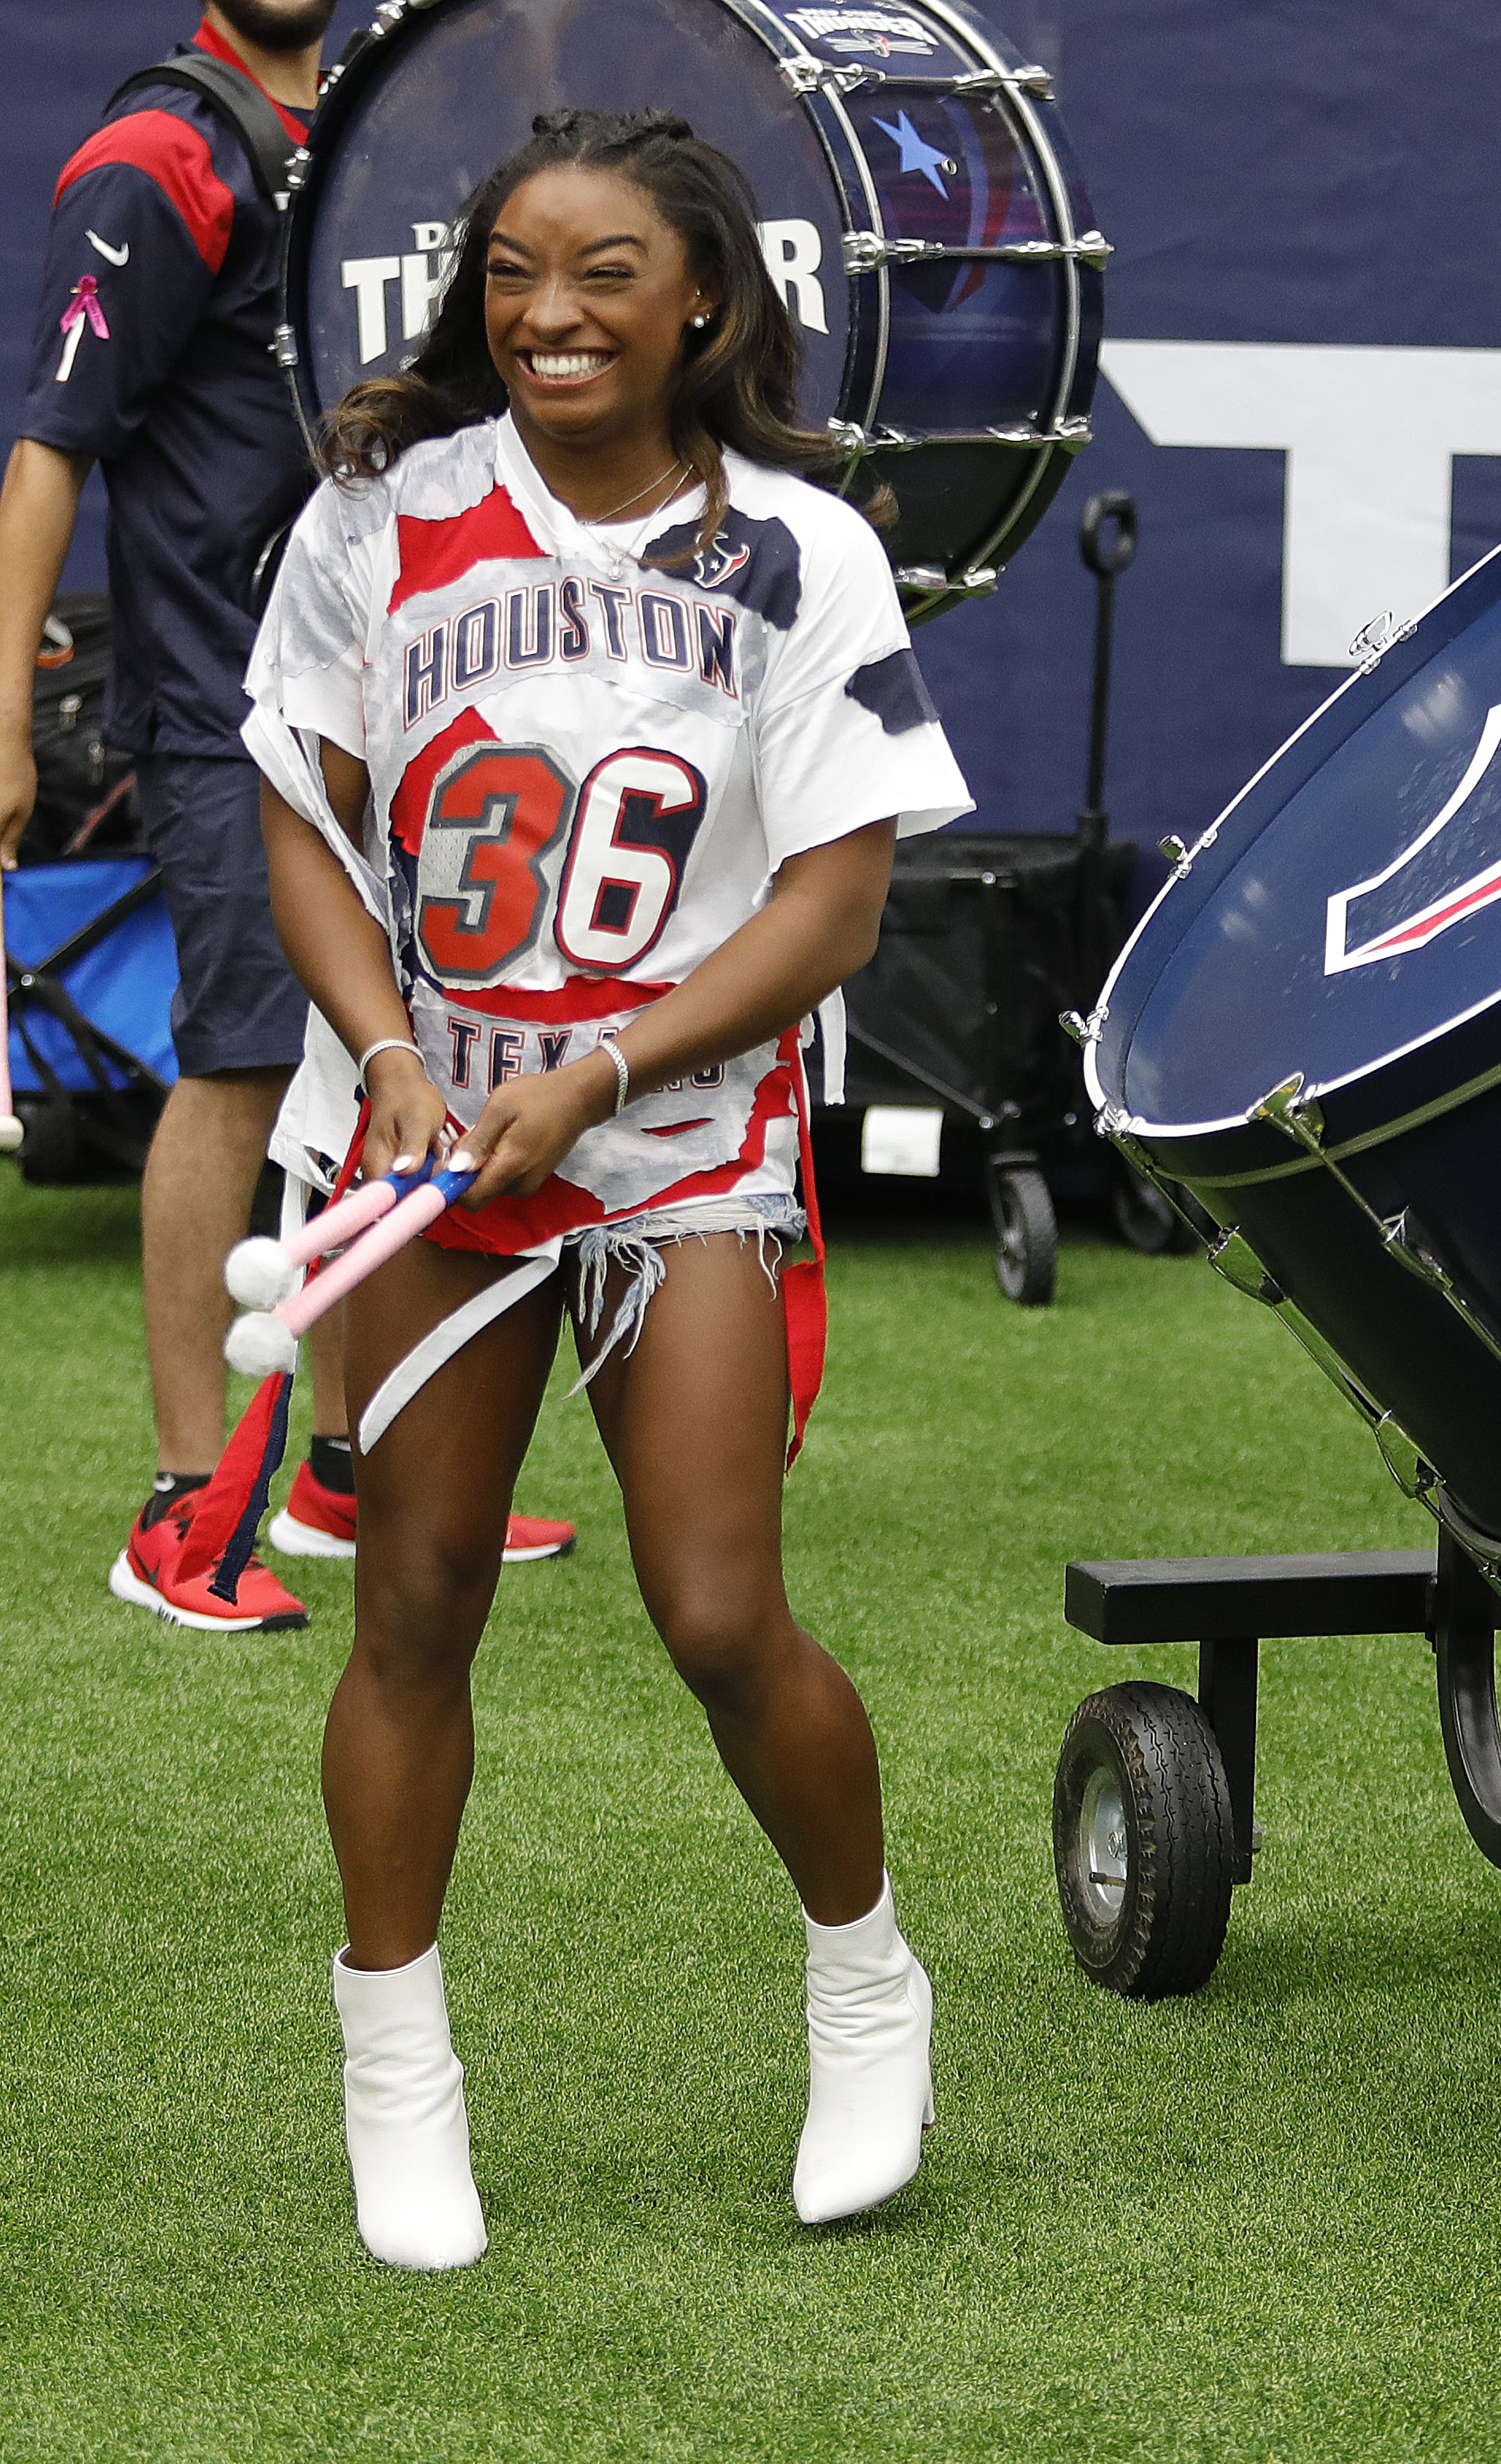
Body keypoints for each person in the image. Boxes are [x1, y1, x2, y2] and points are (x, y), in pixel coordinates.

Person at [244, 106, 971, 2258]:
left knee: (719, 1612)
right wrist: (384, 1050)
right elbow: (302, 806)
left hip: (678, 1141)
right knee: (413, 1599)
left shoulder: (801, 551)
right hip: (422, 1145)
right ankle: (399, 2071)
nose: (545, 315)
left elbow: (834, 907)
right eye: (508, 278)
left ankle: (867, 1986)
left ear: (703, 305)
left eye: (601, 276)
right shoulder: (385, 513)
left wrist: (596, 1072)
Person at [0, 3, 573, 1632]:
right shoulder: (158, 160)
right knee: (245, 1062)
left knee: (359, 1058)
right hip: (223, 703)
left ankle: (339, 1463)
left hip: (390, 695)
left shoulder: (384, 125)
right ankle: (184, 1509)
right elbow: (49, 451)